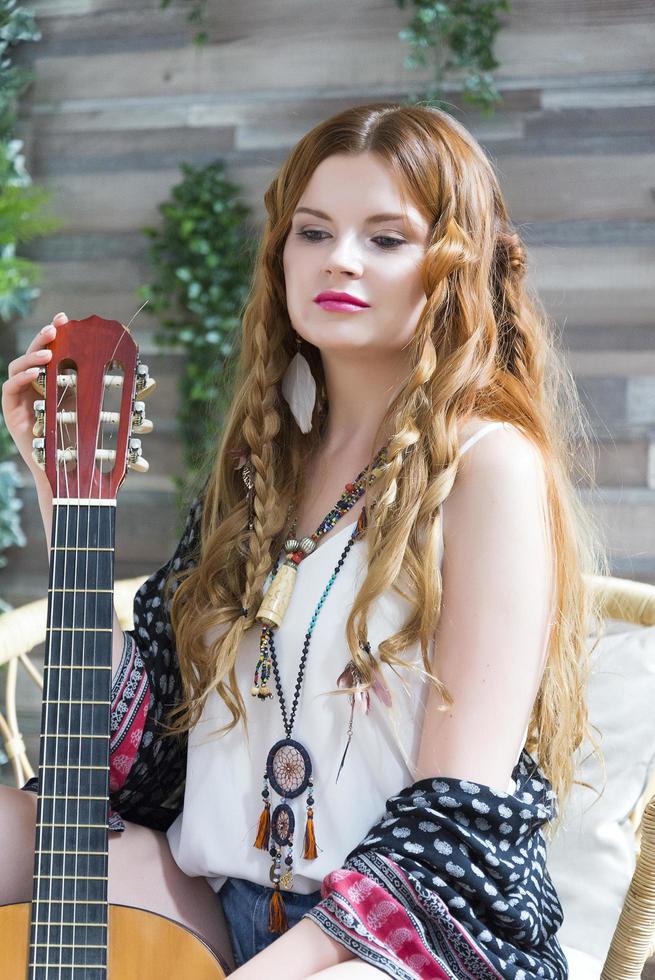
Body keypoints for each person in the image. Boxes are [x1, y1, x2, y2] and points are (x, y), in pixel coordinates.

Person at [0, 102, 608, 978]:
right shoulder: (264, 460)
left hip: (396, 937)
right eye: (312, 231)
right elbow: (148, 736)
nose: (339, 260)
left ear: (453, 264)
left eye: (386, 238)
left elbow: (456, 818)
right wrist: (69, 504)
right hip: (219, 896)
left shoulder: (488, 467)